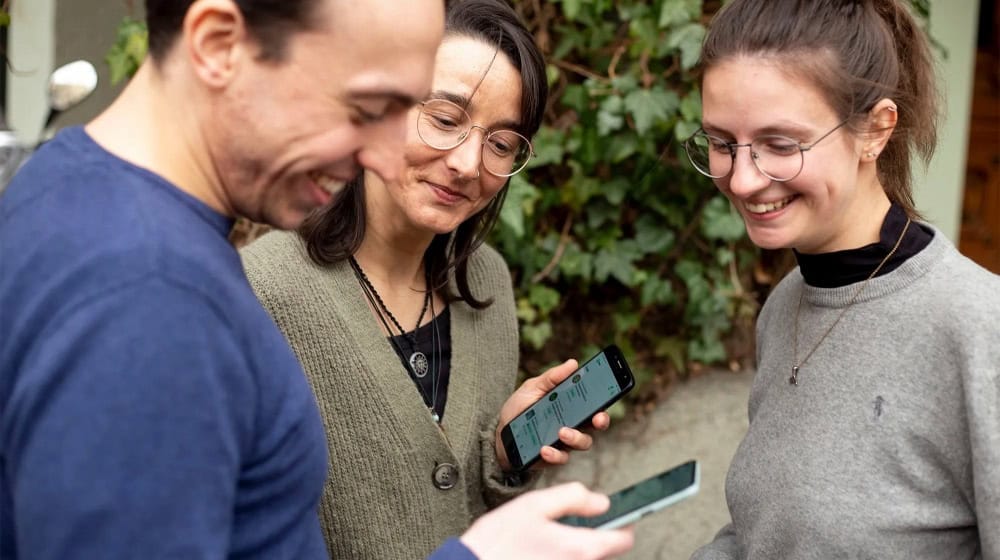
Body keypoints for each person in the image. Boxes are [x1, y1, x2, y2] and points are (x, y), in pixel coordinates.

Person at [0, 1, 632, 559]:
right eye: (366, 107)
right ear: (218, 44)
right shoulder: (148, 299)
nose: (382, 153)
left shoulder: (62, 182)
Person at [240, 1, 617, 557]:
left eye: (501, 143)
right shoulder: (263, 291)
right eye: (444, 119)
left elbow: (471, 514)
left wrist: (505, 456)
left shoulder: (487, 284)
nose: (468, 163)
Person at [682, 0, 1000, 558]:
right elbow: (767, 534)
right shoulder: (786, 304)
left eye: (781, 144)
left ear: (876, 130)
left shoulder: (979, 328)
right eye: (722, 143)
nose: (742, 179)